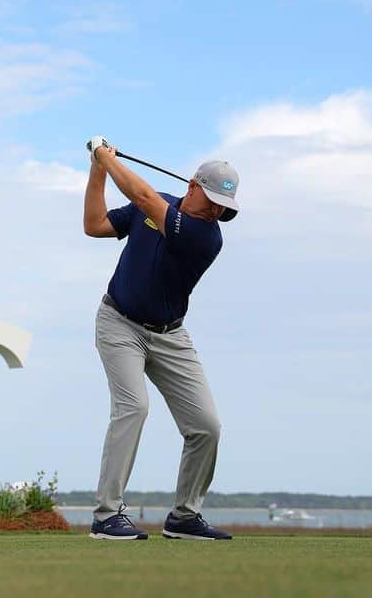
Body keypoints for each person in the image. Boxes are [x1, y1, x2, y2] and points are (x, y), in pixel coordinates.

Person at [84, 136, 239, 541]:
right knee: (133, 407)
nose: (217, 211)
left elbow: (140, 192)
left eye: (225, 207)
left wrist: (103, 155)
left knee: (207, 426)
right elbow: (94, 225)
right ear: (192, 186)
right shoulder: (159, 203)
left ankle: (185, 516)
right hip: (119, 324)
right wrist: (97, 171)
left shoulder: (204, 236)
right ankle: (105, 515)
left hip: (171, 337)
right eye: (211, 201)